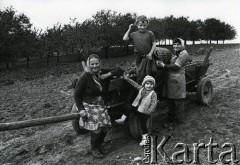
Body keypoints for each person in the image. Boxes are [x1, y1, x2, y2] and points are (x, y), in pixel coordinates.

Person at [74, 54, 123, 158]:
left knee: (105, 128)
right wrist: (81, 110)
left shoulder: (100, 71)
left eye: (97, 63)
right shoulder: (84, 76)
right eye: (92, 64)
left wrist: (108, 74)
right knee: (97, 129)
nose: (95, 66)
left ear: (99, 63)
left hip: (100, 103)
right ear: (88, 64)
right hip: (88, 104)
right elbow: (77, 95)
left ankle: (100, 144)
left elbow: (119, 69)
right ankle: (94, 147)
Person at [156, 38, 192, 124]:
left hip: (178, 79)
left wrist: (164, 65)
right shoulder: (176, 53)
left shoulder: (184, 54)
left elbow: (176, 66)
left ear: (182, 45)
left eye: (178, 44)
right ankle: (171, 116)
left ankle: (180, 119)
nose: (176, 46)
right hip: (171, 78)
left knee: (178, 100)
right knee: (170, 99)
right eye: (174, 44)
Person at [122, 74, 157, 146]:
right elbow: (134, 84)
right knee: (129, 108)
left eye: (151, 84)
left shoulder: (153, 94)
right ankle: (122, 119)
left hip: (145, 111)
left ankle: (145, 140)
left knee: (143, 125)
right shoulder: (141, 89)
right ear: (144, 84)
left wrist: (149, 111)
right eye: (147, 84)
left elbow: (154, 103)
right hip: (138, 107)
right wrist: (127, 79)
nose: (149, 85)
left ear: (153, 85)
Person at [123, 15, 156, 83]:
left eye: (144, 25)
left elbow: (154, 44)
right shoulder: (134, 34)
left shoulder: (150, 33)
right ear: (137, 25)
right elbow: (125, 38)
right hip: (139, 57)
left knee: (152, 71)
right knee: (139, 72)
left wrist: (150, 54)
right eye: (140, 25)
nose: (142, 27)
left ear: (147, 25)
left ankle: (151, 86)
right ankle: (140, 85)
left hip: (149, 56)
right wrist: (129, 29)